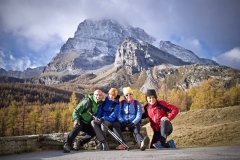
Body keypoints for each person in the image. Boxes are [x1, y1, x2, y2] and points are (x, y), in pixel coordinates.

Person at [113, 87, 149, 151]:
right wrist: (123, 122)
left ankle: (141, 143)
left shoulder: (136, 103)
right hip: (123, 123)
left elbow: (139, 115)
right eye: (127, 95)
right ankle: (122, 144)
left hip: (133, 123)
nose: (129, 96)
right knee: (115, 125)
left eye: (130, 94)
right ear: (124, 96)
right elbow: (119, 114)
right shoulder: (121, 103)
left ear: (132, 94)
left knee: (136, 131)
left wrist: (133, 123)